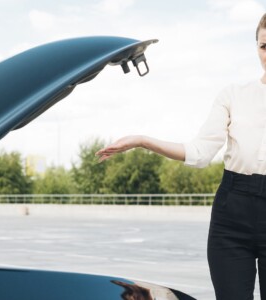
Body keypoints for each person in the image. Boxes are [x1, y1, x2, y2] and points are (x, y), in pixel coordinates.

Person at [95, 13, 266, 300]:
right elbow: (199, 154)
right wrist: (142, 141)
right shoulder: (234, 95)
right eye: (264, 46)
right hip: (232, 215)